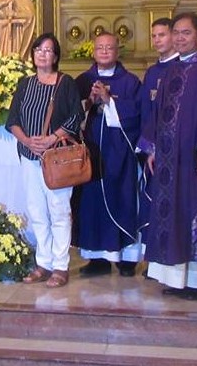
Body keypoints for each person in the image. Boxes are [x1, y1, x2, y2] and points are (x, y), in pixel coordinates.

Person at [138, 12, 197, 300]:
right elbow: (158, 112)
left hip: (191, 159)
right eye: (176, 32)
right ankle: (176, 277)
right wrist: (150, 148)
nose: (179, 38)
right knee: (171, 216)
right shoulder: (171, 70)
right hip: (166, 160)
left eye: (186, 33)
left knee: (193, 211)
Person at [5, 33, 84, 288]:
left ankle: (61, 266)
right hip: (29, 157)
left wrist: (51, 139)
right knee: (37, 212)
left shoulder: (65, 83)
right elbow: (12, 120)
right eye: (38, 49)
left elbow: (75, 117)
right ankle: (44, 263)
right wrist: (27, 141)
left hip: (56, 158)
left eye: (48, 50)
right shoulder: (25, 84)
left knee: (59, 211)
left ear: (56, 56)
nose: (42, 53)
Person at [73, 32, 142, 277]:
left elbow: (136, 115)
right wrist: (89, 102)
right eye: (100, 47)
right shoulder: (82, 80)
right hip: (90, 151)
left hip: (118, 152)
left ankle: (126, 259)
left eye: (109, 48)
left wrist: (109, 101)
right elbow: (72, 115)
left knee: (121, 198)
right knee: (91, 203)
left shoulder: (131, 82)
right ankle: (97, 259)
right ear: (93, 51)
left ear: (117, 51)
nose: (104, 51)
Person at [138, 18, 179, 242]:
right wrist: (148, 147)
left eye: (161, 35)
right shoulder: (152, 72)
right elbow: (146, 112)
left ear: (174, 36)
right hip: (154, 150)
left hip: (175, 149)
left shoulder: (183, 68)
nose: (156, 40)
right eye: (154, 36)